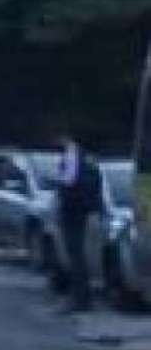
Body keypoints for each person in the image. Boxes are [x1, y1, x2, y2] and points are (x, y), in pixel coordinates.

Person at [55, 133, 103, 313]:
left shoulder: (71, 156)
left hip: (72, 213)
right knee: (78, 256)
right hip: (82, 211)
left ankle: (79, 299)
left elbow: (68, 183)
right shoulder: (87, 158)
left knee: (75, 256)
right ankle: (82, 297)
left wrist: (62, 197)